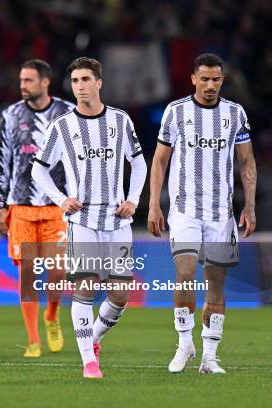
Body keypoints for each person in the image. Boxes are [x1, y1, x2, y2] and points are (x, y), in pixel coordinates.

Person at [32, 57, 147, 378]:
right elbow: (38, 169)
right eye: (75, 81)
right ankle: (88, 362)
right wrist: (60, 200)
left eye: (85, 79)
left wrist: (134, 199)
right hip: (82, 222)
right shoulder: (62, 126)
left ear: (99, 82)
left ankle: (93, 337)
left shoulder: (121, 121)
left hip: (117, 222)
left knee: (121, 294)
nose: (79, 86)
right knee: (84, 288)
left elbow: (138, 163)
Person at [148, 53, 257, 375]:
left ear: (223, 80)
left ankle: (210, 356)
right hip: (184, 211)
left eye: (216, 79)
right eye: (205, 79)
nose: (210, 85)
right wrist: (155, 203)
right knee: (184, 274)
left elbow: (247, 162)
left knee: (216, 287)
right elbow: (159, 160)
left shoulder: (235, 114)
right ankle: (184, 344)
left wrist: (249, 205)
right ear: (193, 79)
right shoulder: (176, 112)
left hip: (221, 214)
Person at [0, 59, 74, 357]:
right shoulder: (11, 115)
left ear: (45, 82)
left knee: (57, 272)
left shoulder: (67, 113)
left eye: (28, 80)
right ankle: (33, 339)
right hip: (22, 205)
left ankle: (52, 315)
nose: (23, 86)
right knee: (27, 272)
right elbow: (2, 162)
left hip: (57, 206)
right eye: (21, 80)